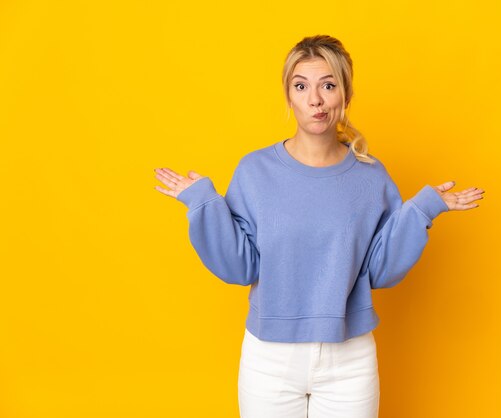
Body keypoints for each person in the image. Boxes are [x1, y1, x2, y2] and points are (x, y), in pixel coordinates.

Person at [154, 34, 484, 418]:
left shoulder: (370, 175)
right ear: (289, 96)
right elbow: (239, 267)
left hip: (350, 358)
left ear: (345, 94)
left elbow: (381, 271)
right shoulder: (255, 170)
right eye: (301, 86)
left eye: (328, 85)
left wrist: (422, 211)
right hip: (269, 358)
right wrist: (203, 203)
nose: (315, 100)